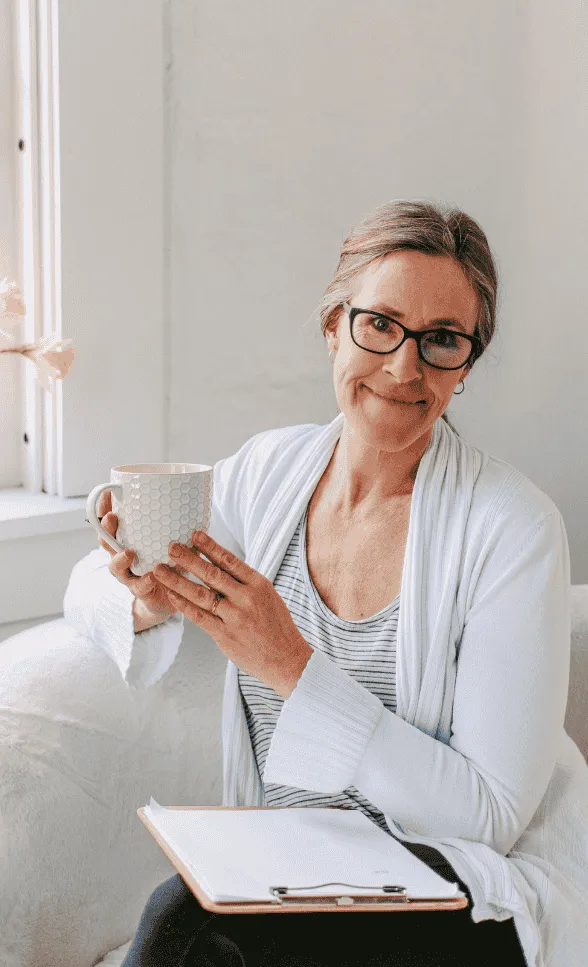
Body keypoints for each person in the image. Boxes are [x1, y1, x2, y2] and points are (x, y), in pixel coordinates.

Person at [64, 199, 588, 966]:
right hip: (292, 869)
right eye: (380, 324)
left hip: (467, 892)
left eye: (442, 339)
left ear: (467, 364)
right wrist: (146, 596)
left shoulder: (514, 528)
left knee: (186, 918)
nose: (404, 367)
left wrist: (290, 664)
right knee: (199, 915)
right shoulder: (270, 474)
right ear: (333, 326)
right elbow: (87, 587)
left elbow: (488, 817)